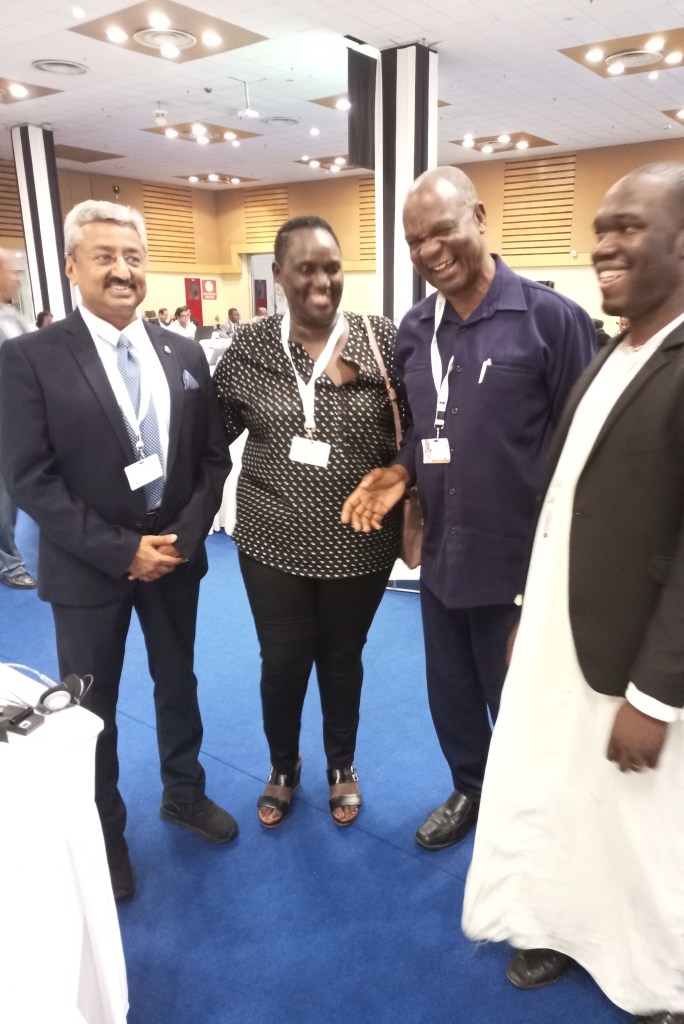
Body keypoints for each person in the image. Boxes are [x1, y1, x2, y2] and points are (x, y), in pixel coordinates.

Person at [462, 163, 684, 1024]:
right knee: (562, 796)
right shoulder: (612, 352)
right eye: (600, 228)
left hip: (645, 662)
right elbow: (565, 505)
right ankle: (564, 928)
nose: (604, 245)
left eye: (628, 226)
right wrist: (530, 613)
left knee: (649, 835)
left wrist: (655, 695)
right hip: (564, 637)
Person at [341, 166, 595, 850]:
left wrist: (568, 578)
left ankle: (535, 819)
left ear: (479, 218)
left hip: (519, 566)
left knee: (523, 708)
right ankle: (472, 789)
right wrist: (401, 470)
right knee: (450, 695)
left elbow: (586, 451)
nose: (429, 251)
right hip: (443, 558)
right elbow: (426, 430)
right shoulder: (415, 330)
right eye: (414, 241)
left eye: (442, 230)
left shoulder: (552, 319)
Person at [0, 200, 237, 901]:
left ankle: (184, 793)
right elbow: (31, 479)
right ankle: (104, 835)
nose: (122, 270)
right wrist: (122, 550)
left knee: (178, 682)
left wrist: (182, 539)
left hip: (174, 561)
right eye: (104, 256)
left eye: (133, 257)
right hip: (87, 569)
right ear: (72, 266)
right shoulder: (29, 359)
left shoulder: (181, 352)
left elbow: (212, 459)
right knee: (89, 708)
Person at [214, 215, 400, 829]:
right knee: (283, 661)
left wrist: (400, 475)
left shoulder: (379, 339)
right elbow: (211, 438)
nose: (322, 281)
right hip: (271, 540)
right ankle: (283, 765)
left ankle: (341, 764)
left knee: (343, 657)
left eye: (332, 268)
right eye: (306, 269)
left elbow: (417, 429)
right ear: (278, 275)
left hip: (360, 543)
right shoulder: (250, 348)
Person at [0, 249, 36, 590]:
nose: (14, 277)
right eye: (7, 271)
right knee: (4, 496)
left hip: (28, 419)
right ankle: (9, 564)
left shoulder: (14, 317)